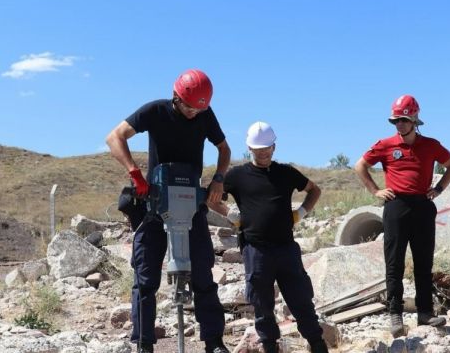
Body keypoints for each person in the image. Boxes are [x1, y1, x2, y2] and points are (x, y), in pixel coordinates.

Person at [106, 69, 231, 353]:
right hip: (155, 205)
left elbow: (224, 149)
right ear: (176, 97)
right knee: (146, 278)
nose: (193, 113)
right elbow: (115, 137)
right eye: (188, 107)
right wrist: (134, 173)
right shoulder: (155, 111)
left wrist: (219, 179)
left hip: (191, 205)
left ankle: (214, 342)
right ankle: (144, 344)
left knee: (202, 274)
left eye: (199, 109)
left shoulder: (204, 114)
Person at [209, 122, 328, 353]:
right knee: (262, 305)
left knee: (301, 299)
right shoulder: (237, 175)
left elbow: (315, 190)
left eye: (267, 148)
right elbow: (210, 198)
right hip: (256, 250)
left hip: (286, 248)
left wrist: (301, 212)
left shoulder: (286, 172)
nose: (263, 153)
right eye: (257, 149)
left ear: (274, 147)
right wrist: (229, 213)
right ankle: (269, 346)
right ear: (249, 148)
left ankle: (317, 343)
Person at [354, 95, 450, 338]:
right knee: (394, 263)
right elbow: (360, 166)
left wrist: (439, 188)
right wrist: (375, 190)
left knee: (424, 262)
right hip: (396, 206)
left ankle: (425, 312)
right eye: (395, 121)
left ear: (414, 119)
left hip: (423, 205)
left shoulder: (431, 145)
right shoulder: (385, 144)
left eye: (403, 120)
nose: (399, 125)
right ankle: (395, 314)